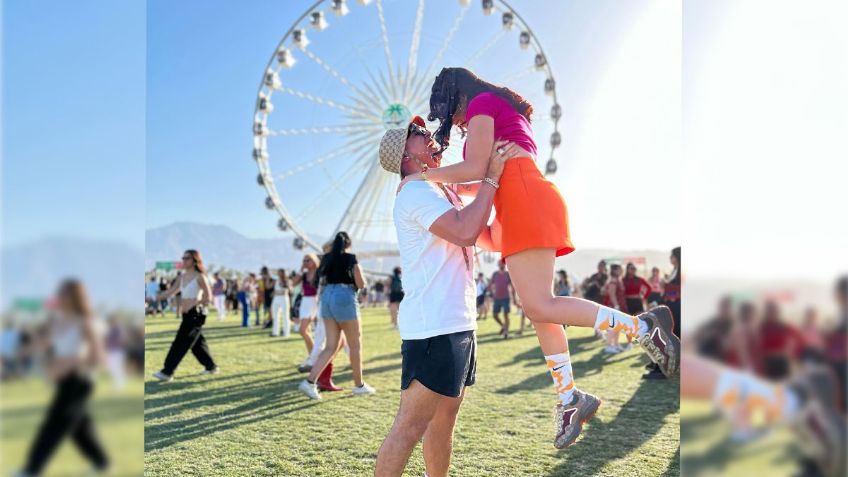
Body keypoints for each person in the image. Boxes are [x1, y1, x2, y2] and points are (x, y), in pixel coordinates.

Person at [398, 67, 679, 447]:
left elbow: (473, 170)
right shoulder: (498, 109)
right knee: (539, 310)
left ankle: (644, 328)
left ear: (456, 96)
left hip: (523, 203)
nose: (453, 123)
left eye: (449, 112)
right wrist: (446, 195)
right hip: (518, 206)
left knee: (541, 304)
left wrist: (421, 179)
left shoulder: (482, 104)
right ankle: (568, 398)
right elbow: (477, 179)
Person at [374, 115, 515, 477]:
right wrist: (491, 179)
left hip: (456, 322)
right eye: (419, 134)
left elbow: (491, 239)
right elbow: (467, 231)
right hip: (434, 326)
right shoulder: (416, 192)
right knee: (408, 429)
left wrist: (504, 189)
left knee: (443, 423)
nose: (430, 136)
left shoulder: (439, 190)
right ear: (406, 153)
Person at [15, 280, 110, 477]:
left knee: (54, 424)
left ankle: (32, 469)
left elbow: (98, 357)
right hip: (63, 380)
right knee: (78, 427)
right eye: (60, 293)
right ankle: (101, 462)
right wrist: (26, 346)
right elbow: (41, 344)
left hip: (80, 381)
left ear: (75, 297)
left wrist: (72, 361)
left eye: (64, 294)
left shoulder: (86, 322)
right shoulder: (57, 322)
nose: (60, 297)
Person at [299, 232, 373, 399]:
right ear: (348, 245)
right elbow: (360, 283)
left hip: (327, 297)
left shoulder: (326, 259)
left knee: (331, 346)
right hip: (344, 296)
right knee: (355, 345)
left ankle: (310, 382)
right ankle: (359, 385)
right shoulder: (350, 258)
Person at [152, 250, 218, 382]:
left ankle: (167, 371)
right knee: (197, 344)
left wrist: (195, 303)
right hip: (186, 315)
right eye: (183, 258)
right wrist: (152, 298)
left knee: (180, 342)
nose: (183, 260)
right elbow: (170, 292)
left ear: (194, 260)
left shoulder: (200, 276)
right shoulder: (182, 277)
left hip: (196, 314)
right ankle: (211, 366)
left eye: (186, 258)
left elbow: (208, 297)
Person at [291, 254, 321, 372]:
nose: (305, 262)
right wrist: (300, 269)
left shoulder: (319, 273)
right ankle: (312, 357)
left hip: (314, 301)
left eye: (308, 260)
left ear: (314, 261)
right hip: (305, 302)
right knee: (305, 331)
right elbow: (293, 283)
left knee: (302, 330)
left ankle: (314, 357)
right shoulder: (303, 274)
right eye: (304, 260)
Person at [601, 264, 628, 354]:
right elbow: (612, 294)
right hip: (614, 307)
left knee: (618, 327)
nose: (622, 270)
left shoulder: (618, 280)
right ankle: (609, 346)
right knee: (612, 328)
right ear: (615, 270)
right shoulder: (613, 280)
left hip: (619, 306)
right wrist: (616, 306)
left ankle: (616, 344)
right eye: (620, 269)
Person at [490, 259, 516, 338]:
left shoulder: (508, 274)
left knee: (506, 315)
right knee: (495, 315)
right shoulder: (495, 274)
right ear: (498, 265)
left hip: (506, 298)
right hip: (497, 298)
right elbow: (490, 285)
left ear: (505, 265)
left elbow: (512, 287)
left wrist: (514, 298)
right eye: (500, 264)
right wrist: (491, 294)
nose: (502, 265)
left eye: (503, 264)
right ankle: (503, 326)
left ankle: (506, 333)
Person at [271, 269, 291, 337]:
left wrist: (283, 284)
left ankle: (286, 332)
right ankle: (275, 332)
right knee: (275, 315)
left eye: (280, 272)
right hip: (276, 298)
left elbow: (289, 289)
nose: (278, 273)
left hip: (284, 298)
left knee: (285, 315)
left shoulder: (287, 280)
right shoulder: (276, 280)